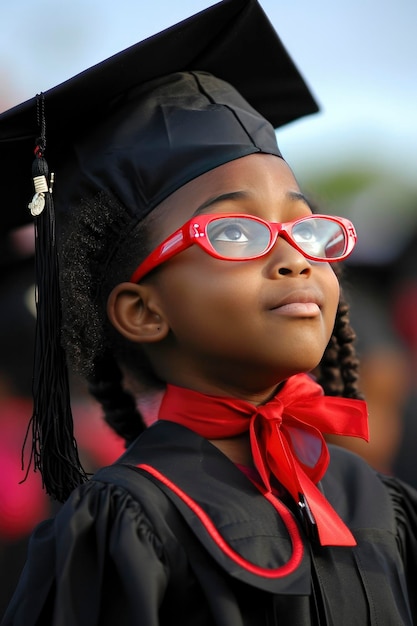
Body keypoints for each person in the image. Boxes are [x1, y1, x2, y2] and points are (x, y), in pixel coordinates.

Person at [1, 1, 416, 624]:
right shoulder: (126, 521)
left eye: (306, 228)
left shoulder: (381, 504)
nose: (294, 257)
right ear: (143, 311)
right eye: (234, 234)